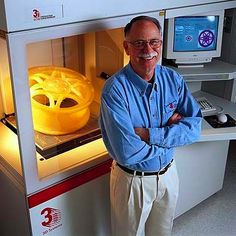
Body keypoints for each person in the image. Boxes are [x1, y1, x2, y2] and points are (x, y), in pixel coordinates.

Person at [99, 15, 202, 236]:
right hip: (132, 181)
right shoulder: (114, 90)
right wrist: (172, 133)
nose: (148, 49)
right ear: (127, 47)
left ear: (161, 44)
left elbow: (194, 128)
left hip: (168, 174)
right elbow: (127, 152)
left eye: (154, 41)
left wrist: (147, 134)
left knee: (163, 232)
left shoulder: (173, 80)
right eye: (139, 43)